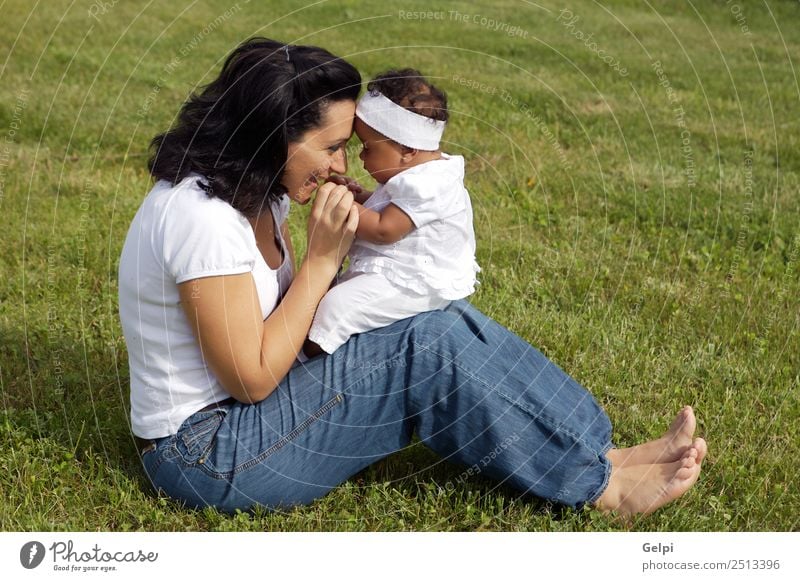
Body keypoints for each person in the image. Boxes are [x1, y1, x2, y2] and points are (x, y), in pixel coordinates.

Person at [118, 37, 707, 517]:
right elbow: (249, 381)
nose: (340, 167)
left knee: (436, 316)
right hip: (208, 456)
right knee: (426, 346)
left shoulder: (261, 195)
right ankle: (601, 488)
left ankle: (602, 453)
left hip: (246, 420)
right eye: (329, 147)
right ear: (272, 138)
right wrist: (323, 264)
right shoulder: (202, 221)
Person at [305, 69, 481, 356]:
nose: (360, 157)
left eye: (367, 147)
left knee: (338, 307)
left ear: (407, 149)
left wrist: (345, 206)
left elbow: (385, 229)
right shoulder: (417, 173)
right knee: (337, 293)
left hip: (414, 282)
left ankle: (311, 354)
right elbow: (384, 206)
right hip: (395, 272)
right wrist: (357, 195)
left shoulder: (428, 184)